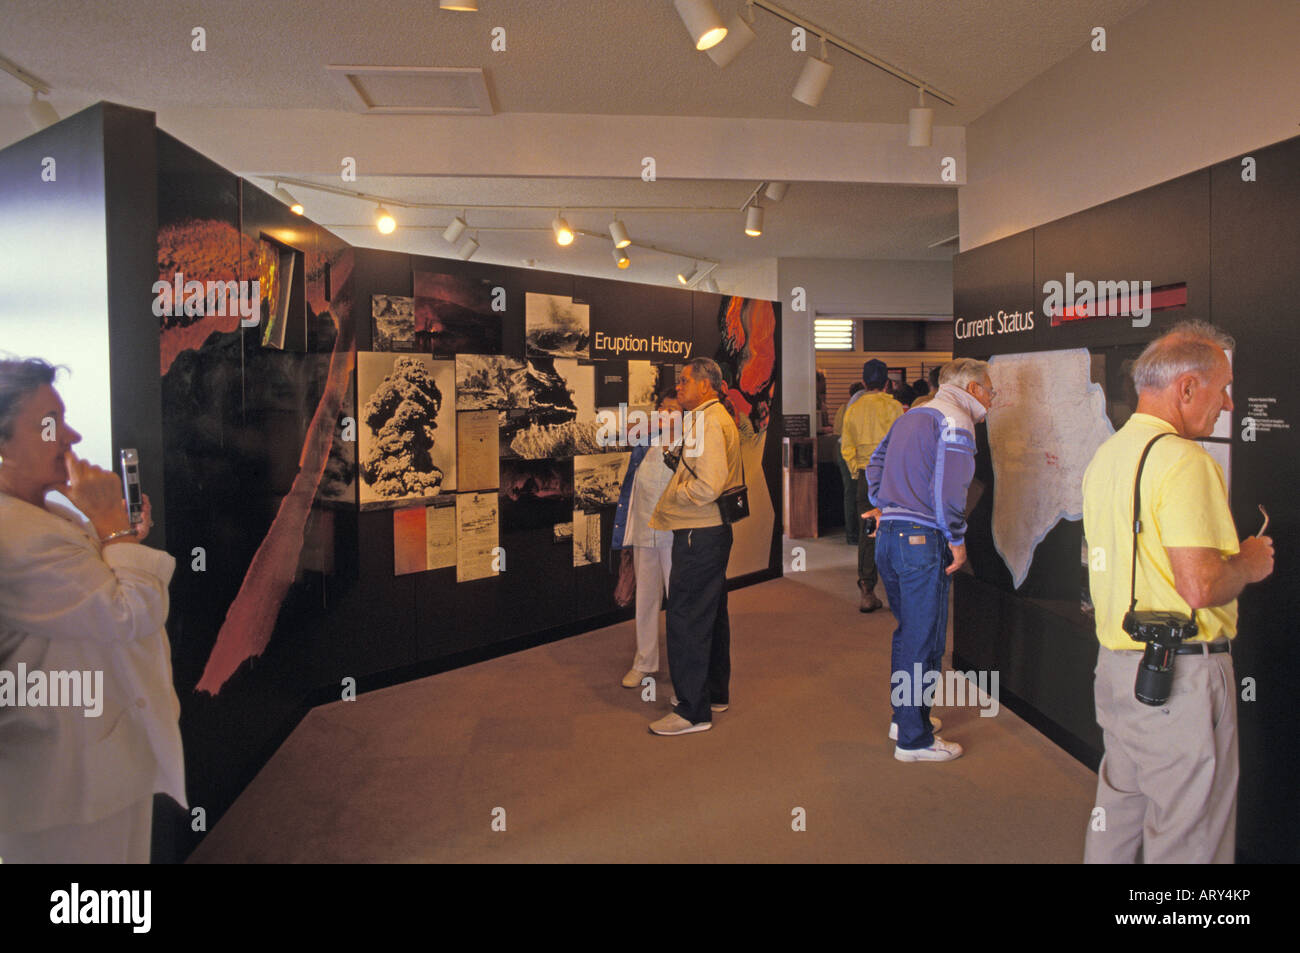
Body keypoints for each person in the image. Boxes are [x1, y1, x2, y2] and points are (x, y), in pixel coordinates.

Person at [1081, 321, 1273, 864]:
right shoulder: (1187, 462)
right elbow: (1201, 585)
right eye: (1223, 388)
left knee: (1118, 811)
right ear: (1187, 387)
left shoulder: (1110, 455)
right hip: (1181, 678)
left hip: (1119, 668)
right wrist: (1251, 564)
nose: (1228, 404)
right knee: (1191, 833)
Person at [0, 358, 186, 863]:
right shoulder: (15, 536)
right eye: (49, 423)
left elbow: (93, 589)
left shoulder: (45, 511)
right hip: (68, 781)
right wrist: (111, 527)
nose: (71, 435)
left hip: (93, 760)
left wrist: (118, 535)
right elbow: (127, 615)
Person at [866, 358, 993, 761]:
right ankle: (914, 740)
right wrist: (956, 539)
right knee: (925, 639)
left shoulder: (913, 414)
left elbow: (875, 464)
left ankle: (905, 718)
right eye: (990, 389)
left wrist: (882, 503)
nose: (993, 396)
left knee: (909, 634)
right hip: (923, 542)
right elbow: (949, 490)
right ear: (972, 389)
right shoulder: (956, 421)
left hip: (888, 538)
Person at [646, 358, 743, 736]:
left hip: (697, 533)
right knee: (712, 614)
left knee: (686, 617)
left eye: (685, 381)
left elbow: (709, 484)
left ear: (706, 385)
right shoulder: (712, 416)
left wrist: (679, 496)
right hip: (709, 533)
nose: (679, 386)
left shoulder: (707, 420)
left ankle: (692, 711)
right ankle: (713, 693)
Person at [610, 391, 682, 689]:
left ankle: (683, 667)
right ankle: (644, 662)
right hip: (643, 531)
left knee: (678, 602)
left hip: (673, 535)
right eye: (662, 408)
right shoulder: (647, 441)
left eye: (672, 409)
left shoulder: (688, 444)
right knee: (646, 598)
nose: (665, 413)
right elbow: (621, 434)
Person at [841, 359, 904, 612]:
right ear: (887, 383)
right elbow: (902, 443)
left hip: (867, 477)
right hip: (892, 478)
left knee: (869, 533)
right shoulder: (896, 407)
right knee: (897, 530)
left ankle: (867, 592)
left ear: (864, 382)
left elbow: (847, 447)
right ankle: (900, 592)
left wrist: (857, 472)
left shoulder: (853, 410)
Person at [833, 381, 866, 545]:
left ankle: (853, 534)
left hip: (846, 449)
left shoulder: (849, 404)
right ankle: (854, 534)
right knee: (854, 493)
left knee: (852, 492)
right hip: (851, 450)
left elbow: (838, 430)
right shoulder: (861, 399)